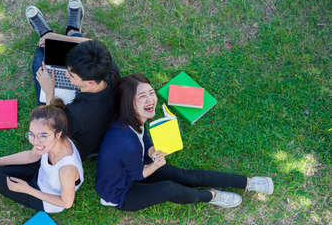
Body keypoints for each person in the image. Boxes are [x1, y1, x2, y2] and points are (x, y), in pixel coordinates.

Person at [95, 74, 274, 211]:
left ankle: (247, 182)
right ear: (129, 102)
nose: (151, 100)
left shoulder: (134, 119)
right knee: (168, 189)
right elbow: (138, 175)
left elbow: (143, 137)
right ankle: (211, 195)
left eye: (151, 93)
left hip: (134, 164)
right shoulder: (125, 141)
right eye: (142, 96)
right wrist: (157, 164)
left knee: (185, 175)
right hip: (120, 192)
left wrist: (150, 150)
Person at [26, 0, 120, 160]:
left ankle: (45, 33)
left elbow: (53, 124)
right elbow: (92, 43)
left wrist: (49, 91)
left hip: (80, 144)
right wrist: (57, 38)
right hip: (89, 118)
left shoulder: (76, 114)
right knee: (77, 50)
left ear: (89, 82)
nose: (66, 75)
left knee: (41, 62)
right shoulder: (109, 69)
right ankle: (72, 30)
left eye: (70, 75)